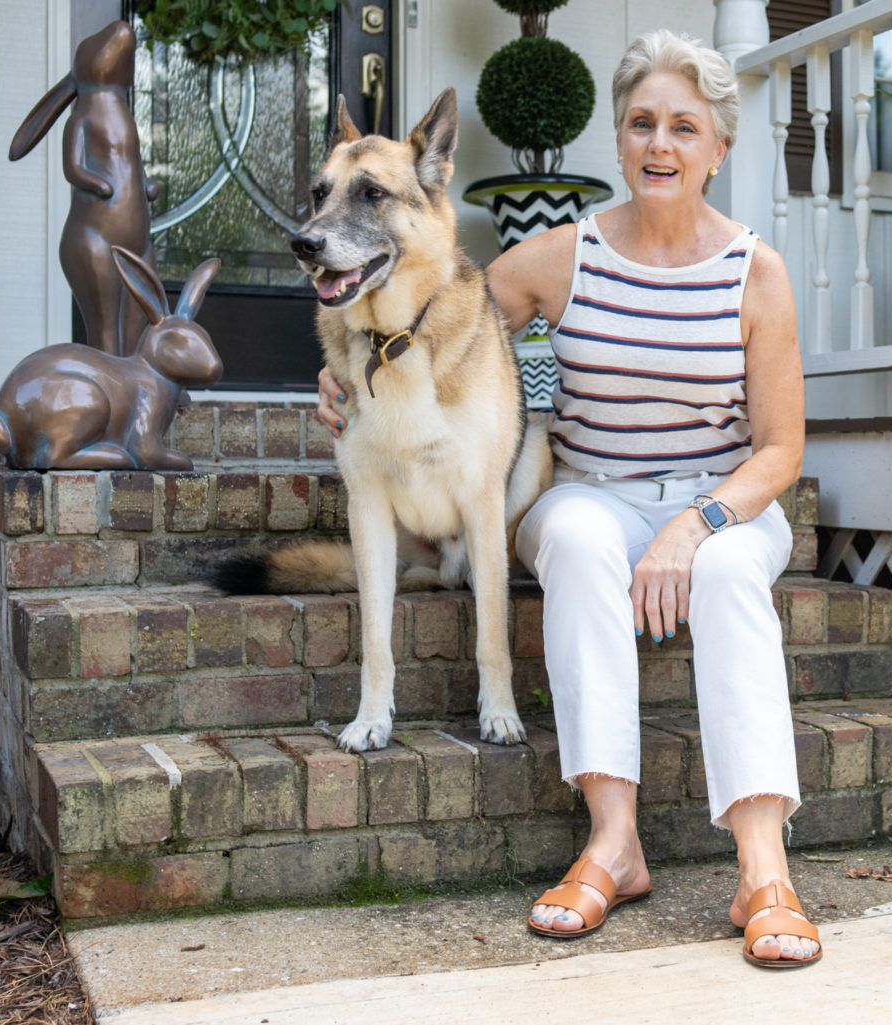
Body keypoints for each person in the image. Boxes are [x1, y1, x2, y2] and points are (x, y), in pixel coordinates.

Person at [317, 30, 821, 967]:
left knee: (721, 578)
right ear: (619, 142)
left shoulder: (757, 273)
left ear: (718, 147)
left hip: (722, 504)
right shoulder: (563, 256)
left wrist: (691, 525)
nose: (658, 144)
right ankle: (612, 842)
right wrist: (342, 366)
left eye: (682, 126)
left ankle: (762, 866)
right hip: (587, 490)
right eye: (639, 124)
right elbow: (433, 311)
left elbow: (781, 447)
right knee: (582, 540)